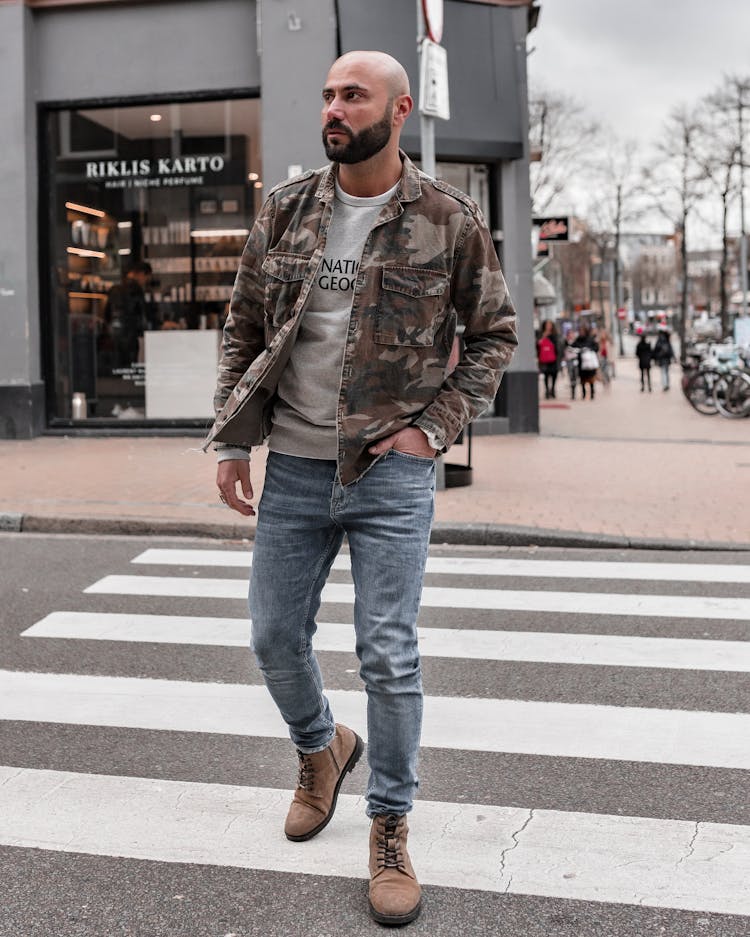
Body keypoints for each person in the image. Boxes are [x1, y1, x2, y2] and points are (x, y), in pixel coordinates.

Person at [203, 50, 517, 926]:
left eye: (353, 96)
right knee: (272, 635)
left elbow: (494, 334)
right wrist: (233, 437)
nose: (334, 110)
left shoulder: (448, 220)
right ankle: (322, 748)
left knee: (389, 651)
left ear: (400, 109)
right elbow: (244, 326)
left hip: (390, 471)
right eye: (330, 96)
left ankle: (389, 824)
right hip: (296, 467)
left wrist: (435, 430)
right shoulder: (287, 207)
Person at [104, 261, 152, 369]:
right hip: (130, 334)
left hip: (114, 334)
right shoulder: (136, 290)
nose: (145, 282)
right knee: (129, 368)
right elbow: (141, 313)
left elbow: (107, 313)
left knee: (117, 366)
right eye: (146, 278)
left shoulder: (114, 289)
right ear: (141, 274)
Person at [573, 322, 599, 399]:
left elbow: (596, 348)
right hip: (581, 362)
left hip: (590, 362)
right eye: (580, 331)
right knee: (582, 379)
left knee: (591, 378)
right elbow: (572, 348)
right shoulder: (577, 340)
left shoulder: (590, 339)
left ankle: (592, 393)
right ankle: (583, 393)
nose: (581, 332)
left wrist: (589, 350)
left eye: (583, 331)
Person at [536, 319, 559, 399]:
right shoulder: (541, 334)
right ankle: (547, 390)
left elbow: (557, 346)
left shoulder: (555, 334)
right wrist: (544, 336)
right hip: (544, 358)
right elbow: (538, 344)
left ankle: (552, 389)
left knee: (554, 374)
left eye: (550, 325)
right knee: (546, 374)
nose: (548, 326)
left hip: (553, 358)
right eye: (547, 325)